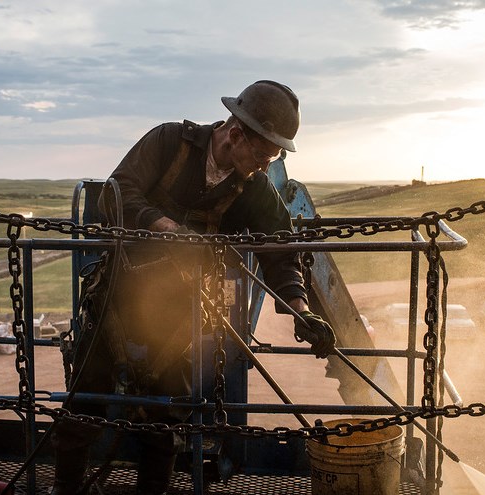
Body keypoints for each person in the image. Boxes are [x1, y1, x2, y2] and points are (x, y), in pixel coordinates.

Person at [50, 80, 336, 495]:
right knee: (86, 401)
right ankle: (66, 489)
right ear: (235, 133)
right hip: (118, 296)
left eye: (270, 159)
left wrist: (299, 307)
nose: (262, 167)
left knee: (167, 414)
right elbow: (116, 194)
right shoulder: (169, 143)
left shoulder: (253, 187)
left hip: (178, 311)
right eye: (261, 156)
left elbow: (280, 248)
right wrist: (168, 229)